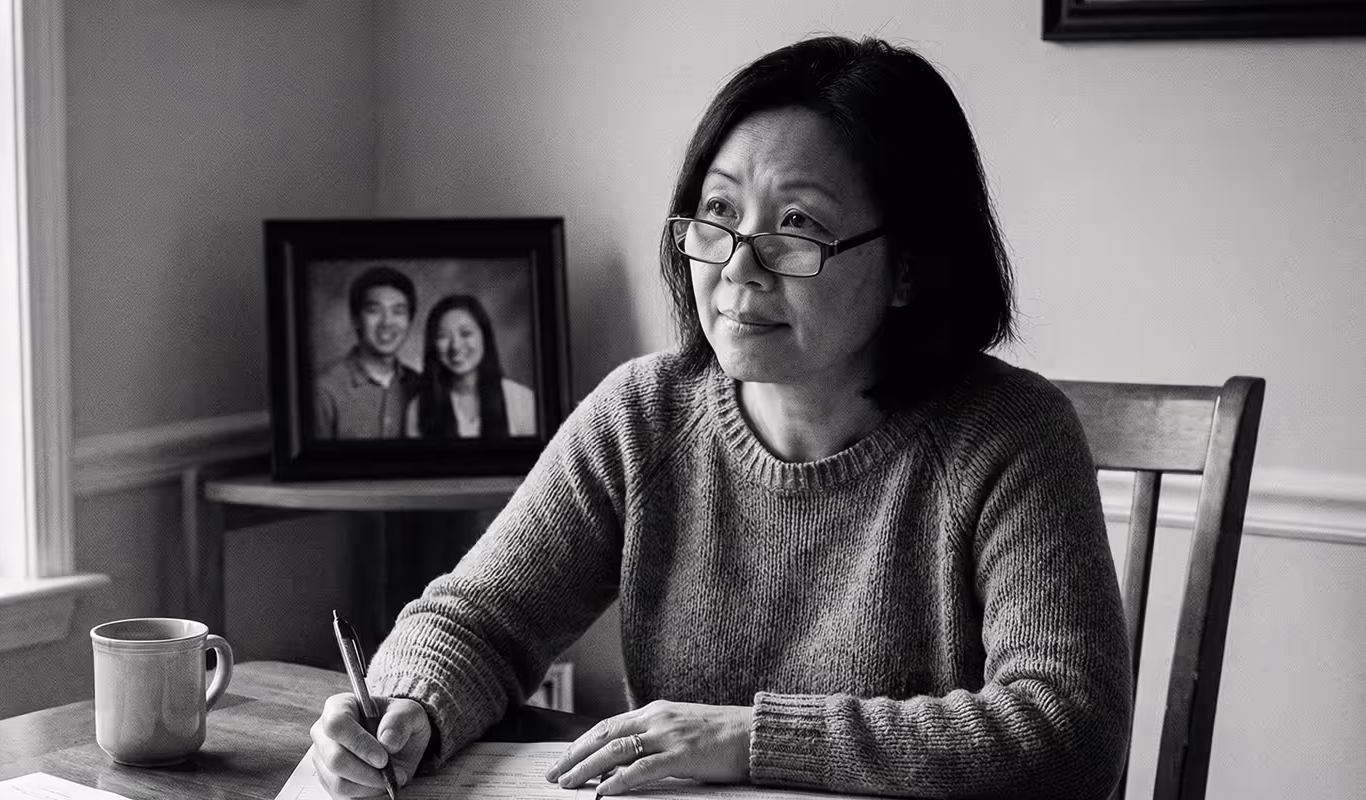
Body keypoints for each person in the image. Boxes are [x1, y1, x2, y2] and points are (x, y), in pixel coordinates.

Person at [309, 35, 1131, 800]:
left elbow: (1067, 731)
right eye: (719, 213)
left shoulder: (1012, 437)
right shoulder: (644, 416)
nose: (739, 265)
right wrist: (408, 703)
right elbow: (478, 621)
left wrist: (754, 738)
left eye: (798, 225)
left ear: (909, 267)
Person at [312, 266, 424, 439]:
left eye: (398, 311)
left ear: (409, 321)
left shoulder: (420, 386)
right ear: (355, 319)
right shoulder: (324, 391)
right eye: (374, 310)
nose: (387, 322)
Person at [403, 294, 537, 440]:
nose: (455, 346)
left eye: (465, 333)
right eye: (443, 336)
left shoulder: (521, 400)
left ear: (484, 336)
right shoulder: (418, 409)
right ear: (433, 345)